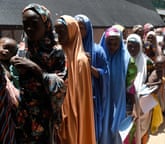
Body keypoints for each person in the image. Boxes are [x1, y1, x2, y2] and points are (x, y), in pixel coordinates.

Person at [10, 4, 66, 143]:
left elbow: (61, 85)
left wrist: (36, 69)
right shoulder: (23, 48)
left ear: (46, 24)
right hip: (22, 115)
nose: (29, 29)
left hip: (44, 116)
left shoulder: (56, 52)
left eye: (34, 24)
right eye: (25, 24)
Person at [54, 15, 96, 144]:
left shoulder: (81, 61)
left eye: (62, 32)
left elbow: (81, 98)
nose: (59, 36)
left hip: (73, 112)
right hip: (57, 109)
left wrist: (66, 111)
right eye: (57, 32)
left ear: (72, 31)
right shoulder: (56, 53)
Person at [74, 14, 109, 143]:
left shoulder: (98, 51)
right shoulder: (67, 50)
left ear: (88, 30)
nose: (78, 30)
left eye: (81, 28)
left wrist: (89, 67)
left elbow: (105, 74)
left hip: (91, 100)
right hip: (73, 100)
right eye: (76, 27)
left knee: (91, 132)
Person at [99, 27, 130, 144]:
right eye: (109, 43)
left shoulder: (125, 58)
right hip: (102, 102)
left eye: (115, 43)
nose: (112, 47)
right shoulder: (99, 56)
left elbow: (130, 84)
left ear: (120, 43)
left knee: (117, 131)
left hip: (118, 102)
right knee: (102, 128)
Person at [126, 34, 154, 144]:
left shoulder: (147, 62)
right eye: (130, 46)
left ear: (140, 46)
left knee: (141, 129)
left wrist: (147, 88)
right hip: (126, 101)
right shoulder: (122, 60)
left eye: (136, 46)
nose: (133, 49)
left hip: (142, 103)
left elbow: (154, 79)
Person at [0, 38, 19, 144]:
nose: (6, 52)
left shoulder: (13, 67)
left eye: (11, 51)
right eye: (4, 47)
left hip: (10, 108)